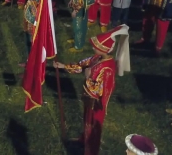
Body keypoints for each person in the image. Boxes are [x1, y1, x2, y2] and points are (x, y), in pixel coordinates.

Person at [54, 25, 130, 155]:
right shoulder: (96, 58)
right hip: (88, 100)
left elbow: (100, 91)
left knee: (94, 128)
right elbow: (82, 64)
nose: (93, 48)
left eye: (96, 47)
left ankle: (90, 151)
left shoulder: (108, 69)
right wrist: (63, 66)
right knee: (86, 122)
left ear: (104, 49)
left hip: (97, 106)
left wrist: (88, 78)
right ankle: (83, 140)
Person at [20, 0, 43, 65]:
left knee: (33, 46)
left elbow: (36, 13)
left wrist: (31, 0)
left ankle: (32, 65)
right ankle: (28, 61)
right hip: (29, 24)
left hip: (34, 27)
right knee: (29, 45)